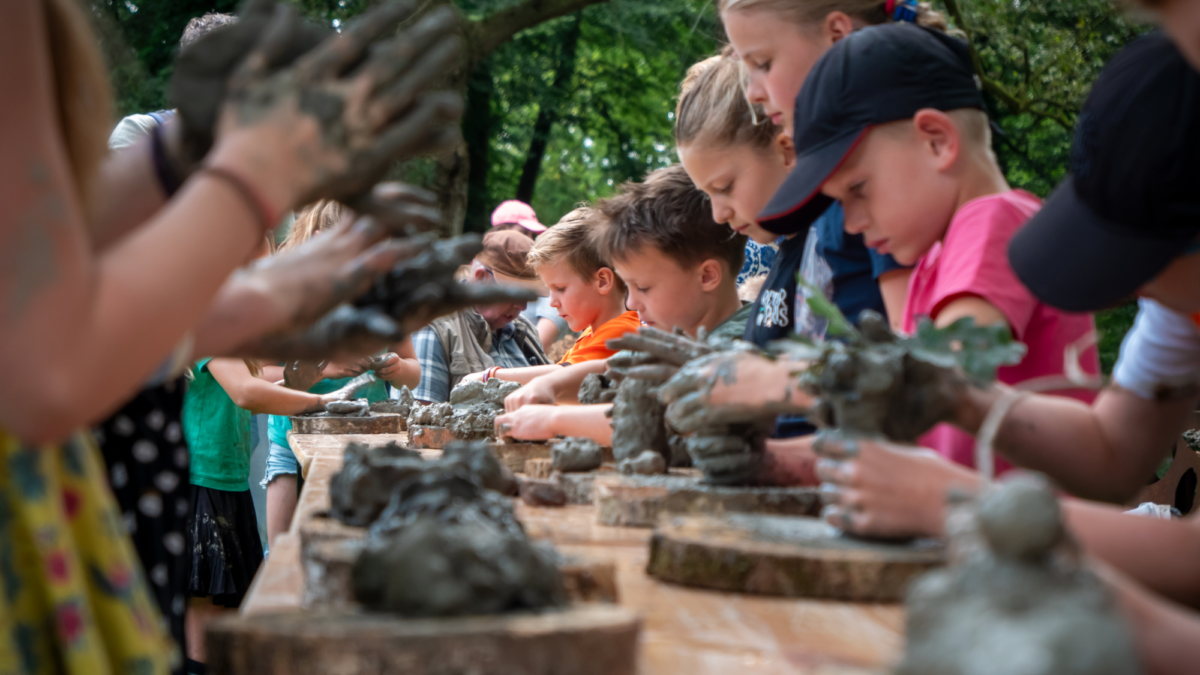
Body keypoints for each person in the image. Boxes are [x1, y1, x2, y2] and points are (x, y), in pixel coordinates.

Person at [0, 0, 464, 671]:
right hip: (94, 478)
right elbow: (67, 339)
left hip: (121, 470)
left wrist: (317, 338)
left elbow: (161, 321)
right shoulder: (146, 142)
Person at [675, 49, 909, 440]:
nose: (718, 214)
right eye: (708, 195)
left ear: (787, 150)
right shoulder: (787, 248)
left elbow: (882, 378)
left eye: (725, 188)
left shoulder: (849, 223)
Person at [495, 165, 752, 443]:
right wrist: (549, 383)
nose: (632, 301)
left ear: (707, 276)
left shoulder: (740, 344)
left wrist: (553, 420)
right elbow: (613, 366)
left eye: (643, 287)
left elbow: (665, 419)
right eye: (628, 286)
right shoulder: (674, 341)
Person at [262, 200, 421, 548]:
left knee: (355, 542)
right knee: (282, 550)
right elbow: (261, 375)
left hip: (366, 439)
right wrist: (323, 369)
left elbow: (413, 374)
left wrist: (396, 367)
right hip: (292, 436)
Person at [460, 207, 639, 385]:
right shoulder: (593, 333)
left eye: (560, 288)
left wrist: (490, 376)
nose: (552, 303)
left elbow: (566, 377)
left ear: (602, 281)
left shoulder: (621, 332)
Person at [411, 230, 552, 404]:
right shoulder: (435, 327)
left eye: (527, 296)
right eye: (513, 294)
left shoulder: (524, 329)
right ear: (481, 278)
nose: (522, 306)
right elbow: (418, 423)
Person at [491, 199, 572, 351]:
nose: (529, 240)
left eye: (531, 234)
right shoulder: (480, 272)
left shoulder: (544, 275)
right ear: (499, 231)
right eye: (523, 232)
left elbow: (537, 345)